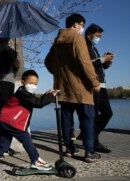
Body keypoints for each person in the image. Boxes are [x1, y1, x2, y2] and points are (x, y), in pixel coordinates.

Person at [45, 13, 101, 163]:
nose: (82, 28)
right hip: (81, 88)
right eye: (82, 25)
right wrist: (95, 83)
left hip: (62, 88)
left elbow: (47, 63)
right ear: (76, 24)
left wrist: (58, 73)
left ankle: (69, 149)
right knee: (88, 119)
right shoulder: (77, 38)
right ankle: (89, 152)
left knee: (66, 120)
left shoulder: (56, 42)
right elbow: (85, 63)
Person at [0, 70, 60, 169]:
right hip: (11, 121)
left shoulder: (26, 93)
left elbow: (36, 101)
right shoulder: (22, 93)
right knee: (26, 139)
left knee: (3, 145)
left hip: (5, 120)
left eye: (35, 84)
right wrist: (51, 96)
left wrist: (46, 95)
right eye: (30, 83)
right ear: (23, 82)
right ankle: (36, 160)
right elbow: (37, 103)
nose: (33, 85)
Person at [79, 24, 113, 153]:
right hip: (93, 86)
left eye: (100, 36)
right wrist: (102, 59)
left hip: (102, 86)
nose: (99, 38)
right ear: (89, 35)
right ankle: (93, 141)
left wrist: (106, 63)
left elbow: (98, 66)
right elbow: (87, 66)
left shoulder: (94, 48)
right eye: (97, 36)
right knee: (94, 116)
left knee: (107, 113)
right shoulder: (84, 47)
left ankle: (89, 136)